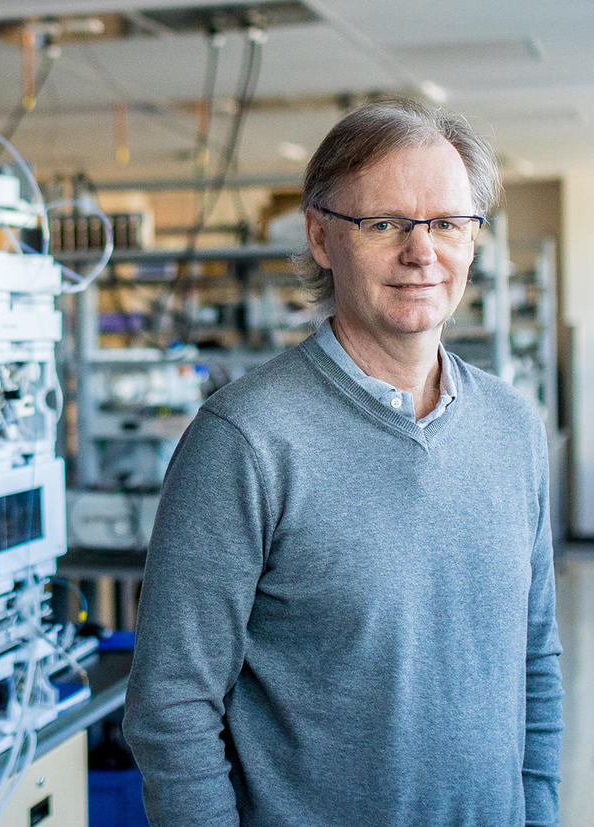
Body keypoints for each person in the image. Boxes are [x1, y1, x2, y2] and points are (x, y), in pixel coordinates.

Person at [123, 98, 563, 826]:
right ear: (322, 238)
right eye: (385, 223)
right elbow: (172, 705)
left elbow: (535, 661)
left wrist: (537, 811)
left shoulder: (513, 428)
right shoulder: (246, 439)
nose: (422, 252)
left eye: (449, 223)